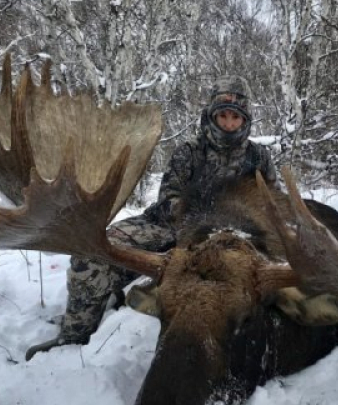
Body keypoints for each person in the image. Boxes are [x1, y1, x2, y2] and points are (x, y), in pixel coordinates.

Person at [26, 75, 277, 360]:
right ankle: (74, 334)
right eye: (223, 116)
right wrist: (195, 213)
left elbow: (271, 206)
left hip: (235, 241)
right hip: (173, 228)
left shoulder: (259, 157)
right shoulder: (189, 152)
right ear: (212, 116)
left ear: (245, 120)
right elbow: (168, 200)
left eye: (235, 117)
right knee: (93, 250)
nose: (229, 123)